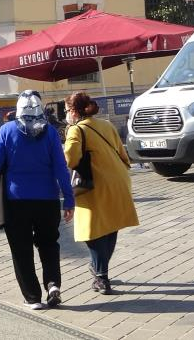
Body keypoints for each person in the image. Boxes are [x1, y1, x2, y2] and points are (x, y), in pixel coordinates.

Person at [0, 90, 75, 310]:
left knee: (21, 249)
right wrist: (69, 200)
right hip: (47, 200)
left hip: (16, 201)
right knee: (49, 244)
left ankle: (32, 297)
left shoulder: (6, 131)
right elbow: (61, 168)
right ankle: (53, 284)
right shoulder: (51, 133)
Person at [63, 92, 139, 295]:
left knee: (93, 232)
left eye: (66, 110)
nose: (66, 115)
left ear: (73, 111)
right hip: (119, 180)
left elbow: (70, 159)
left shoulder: (76, 130)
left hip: (95, 185)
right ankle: (99, 270)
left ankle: (101, 277)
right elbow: (123, 154)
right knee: (110, 226)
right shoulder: (106, 124)